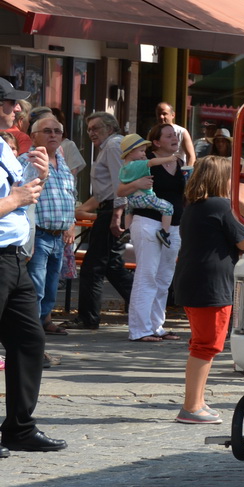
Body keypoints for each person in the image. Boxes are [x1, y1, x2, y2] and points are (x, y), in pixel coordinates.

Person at [171, 157, 244, 424]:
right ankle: (191, 406)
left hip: (194, 281)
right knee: (206, 346)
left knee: (202, 344)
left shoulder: (194, 206)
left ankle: (196, 401)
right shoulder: (221, 205)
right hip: (211, 285)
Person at [0, 131, 65, 455]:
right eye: (9, 102)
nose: (15, 109)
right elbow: (14, 198)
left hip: (13, 258)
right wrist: (15, 200)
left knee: (30, 340)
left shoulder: (3, 147)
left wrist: (39, 176)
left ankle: (18, 429)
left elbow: (21, 194)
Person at [121, 123, 188, 343]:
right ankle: (139, 329)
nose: (174, 138)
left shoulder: (179, 162)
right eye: (169, 136)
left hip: (174, 226)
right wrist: (137, 185)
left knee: (164, 278)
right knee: (146, 276)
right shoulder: (145, 162)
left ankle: (155, 325)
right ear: (157, 142)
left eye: (175, 135)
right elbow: (120, 190)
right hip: (149, 222)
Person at [72, 111, 131, 328]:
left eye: (95, 128)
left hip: (113, 210)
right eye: (89, 129)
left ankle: (88, 318)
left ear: (110, 127)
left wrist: (117, 215)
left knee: (93, 266)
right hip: (109, 208)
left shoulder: (114, 145)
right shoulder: (108, 147)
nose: (91, 133)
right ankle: (144, 308)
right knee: (111, 265)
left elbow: (120, 182)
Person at [26, 113, 77, 335]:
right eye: (47, 131)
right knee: (35, 287)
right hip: (38, 234)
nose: (54, 135)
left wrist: (71, 223)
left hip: (59, 236)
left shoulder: (62, 162)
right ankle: (32, 330)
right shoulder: (27, 161)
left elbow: (70, 195)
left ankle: (44, 322)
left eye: (57, 131)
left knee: (50, 286)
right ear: (33, 136)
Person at [118, 132, 178, 246]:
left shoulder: (123, 168)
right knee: (168, 208)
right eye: (141, 151)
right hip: (144, 198)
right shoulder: (138, 165)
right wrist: (168, 159)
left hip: (131, 201)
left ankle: (127, 230)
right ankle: (164, 232)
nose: (144, 153)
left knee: (128, 211)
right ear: (131, 152)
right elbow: (151, 162)